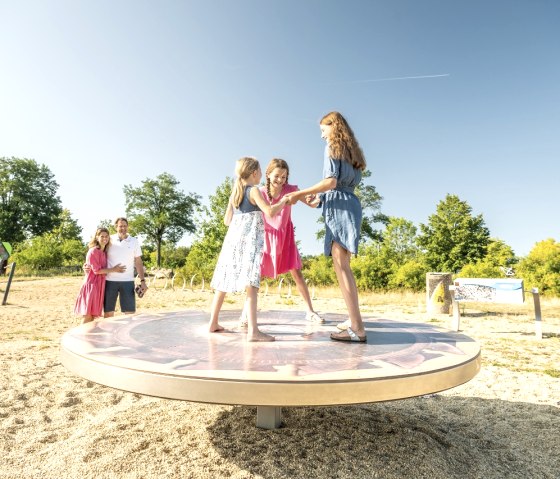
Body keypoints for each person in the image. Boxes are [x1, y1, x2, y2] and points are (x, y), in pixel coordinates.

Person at [286, 111, 367, 343]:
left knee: (342, 268)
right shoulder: (353, 153)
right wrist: (320, 200)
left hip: (340, 208)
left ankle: (357, 328)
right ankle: (354, 321)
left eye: (323, 130)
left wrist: (301, 193)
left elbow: (331, 181)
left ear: (334, 126)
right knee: (344, 267)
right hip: (349, 204)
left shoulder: (333, 147)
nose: (322, 136)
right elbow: (341, 186)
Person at [209, 157, 290, 342]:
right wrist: (284, 201)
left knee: (223, 282)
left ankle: (213, 322)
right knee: (251, 283)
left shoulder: (235, 192)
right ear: (254, 173)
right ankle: (254, 332)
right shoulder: (253, 191)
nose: (262, 174)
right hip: (250, 242)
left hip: (232, 242)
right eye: (260, 171)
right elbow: (270, 212)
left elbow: (226, 221)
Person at [238, 158, 323, 326]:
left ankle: (310, 311)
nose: (280, 180)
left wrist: (316, 200)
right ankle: (246, 313)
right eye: (277, 176)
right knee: (255, 277)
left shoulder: (291, 190)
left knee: (297, 273)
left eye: (284, 177)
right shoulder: (259, 192)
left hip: (285, 237)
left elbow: (311, 203)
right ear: (268, 174)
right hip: (264, 238)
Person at [74, 228, 125, 324]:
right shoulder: (93, 251)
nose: (104, 238)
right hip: (92, 285)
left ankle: (87, 337)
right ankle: (80, 336)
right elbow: (96, 271)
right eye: (102, 236)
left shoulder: (104, 252)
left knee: (93, 316)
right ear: (97, 237)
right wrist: (114, 269)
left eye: (106, 236)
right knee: (88, 315)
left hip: (100, 285)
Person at [103, 217, 148, 317]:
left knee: (130, 314)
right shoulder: (109, 240)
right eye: (120, 226)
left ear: (128, 227)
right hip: (110, 281)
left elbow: (138, 261)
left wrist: (143, 281)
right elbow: (97, 252)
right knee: (108, 313)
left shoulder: (134, 241)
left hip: (128, 281)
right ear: (116, 227)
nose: (123, 228)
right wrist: (87, 264)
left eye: (125, 226)